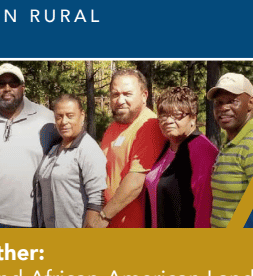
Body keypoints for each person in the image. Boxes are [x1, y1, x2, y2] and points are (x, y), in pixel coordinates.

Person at [0, 63, 60, 228]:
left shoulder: (47, 119)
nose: (7, 88)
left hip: (30, 221)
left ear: (22, 87)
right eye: (1, 84)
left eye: (13, 83)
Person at [93, 69, 166, 228]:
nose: (120, 100)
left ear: (144, 95)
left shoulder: (149, 126)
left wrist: (103, 217)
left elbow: (135, 182)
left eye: (127, 94)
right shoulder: (112, 128)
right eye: (115, 94)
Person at [206, 72, 253, 228]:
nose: (223, 108)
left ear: (250, 102)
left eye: (232, 101)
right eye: (218, 102)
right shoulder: (233, 142)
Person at [145, 87, 217, 228]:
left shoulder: (201, 150)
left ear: (193, 118)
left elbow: (205, 209)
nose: (168, 120)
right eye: (163, 115)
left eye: (176, 115)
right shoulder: (167, 147)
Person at [33, 95, 107, 228]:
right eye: (59, 117)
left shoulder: (88, 149)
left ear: (82, 116)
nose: (64, 121)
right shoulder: (54, 149)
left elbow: (97, 199)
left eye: (70, 115)